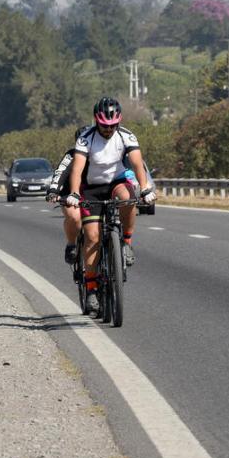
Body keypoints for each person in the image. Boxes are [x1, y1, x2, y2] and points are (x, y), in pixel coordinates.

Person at [66, 97, 157, 305]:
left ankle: (126, 242)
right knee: (92, 237)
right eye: (104, 126)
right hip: (91, 188)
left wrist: (145, 188)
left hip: (116, 181)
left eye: (113, 126)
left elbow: (136, 163)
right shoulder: (85, 138)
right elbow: (78, 168)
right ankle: (91, 289)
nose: (108, 130)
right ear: (96, 121)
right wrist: (73, 192)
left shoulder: (126, 136)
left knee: (128, 198)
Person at [48, 126, 93, 264]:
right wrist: (53, 190)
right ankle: (71, 244)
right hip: (70, 193)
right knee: (75, 217)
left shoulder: (103, 154)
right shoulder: (71, 155)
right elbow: (60, 171)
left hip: (93, 193)